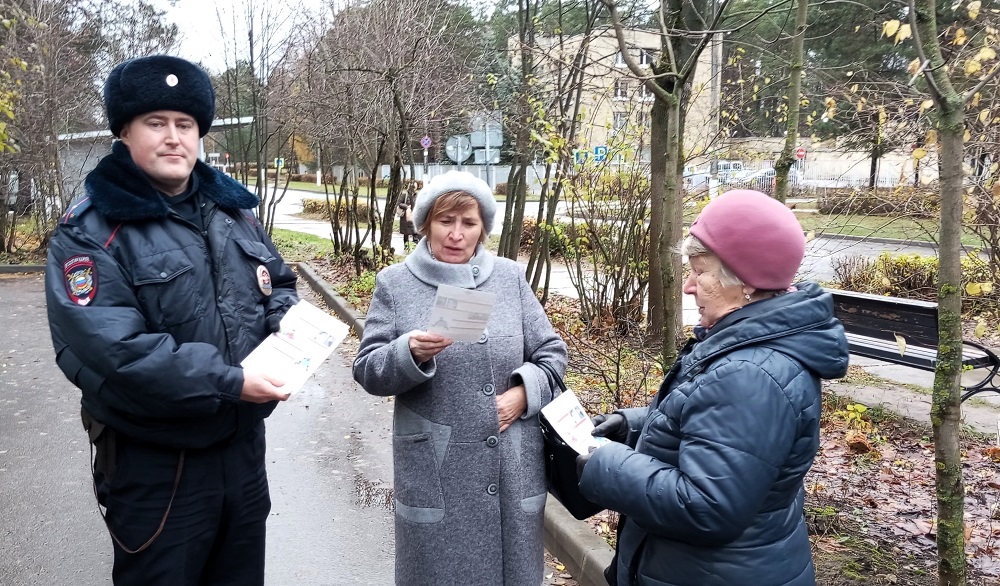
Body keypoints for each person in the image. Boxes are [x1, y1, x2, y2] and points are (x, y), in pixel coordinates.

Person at [45, 55, 297, 585]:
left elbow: (280, 284)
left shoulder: (234, 212)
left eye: (185, 125)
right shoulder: (91, 230)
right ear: (125, 133)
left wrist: (290, 332)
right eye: (156, 123)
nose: (173, 137)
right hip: (158, 466)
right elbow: (118, 352)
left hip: (243, 453)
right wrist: (232, 382)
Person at [577, 189, 849, 586]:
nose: (689, 286)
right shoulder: (745, 347)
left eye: (700, 271)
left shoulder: (750, 373)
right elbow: (712, 431)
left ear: (747, 283)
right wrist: (634, 427)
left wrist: (606, 464)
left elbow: (708, 506)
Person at [353, 170, 568, 586]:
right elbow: (367, 369)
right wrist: (408, 353)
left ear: (483, 228)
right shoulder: (396, 284)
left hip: (510, 467)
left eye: (468, 223)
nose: (456, 234)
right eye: (445, 221)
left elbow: (552, 353)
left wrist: (524, 393)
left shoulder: (509, 277)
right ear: (425, 225)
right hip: (438, 471)